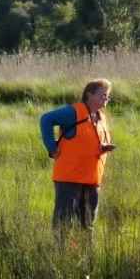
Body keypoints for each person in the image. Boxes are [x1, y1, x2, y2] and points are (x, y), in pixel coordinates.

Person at [39, 78, 115, 229]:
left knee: (87, 224)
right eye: (102, 95)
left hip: (92, 179)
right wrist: (51, 146)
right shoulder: (73, 112)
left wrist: (103, 147)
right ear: (89, 95)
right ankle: (60, 252)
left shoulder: (101, 118)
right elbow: (46, 119)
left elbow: (91, 141)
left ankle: (84, 252)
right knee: (64, 222)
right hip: (69, 178)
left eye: (108, 96)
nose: (106, 99)